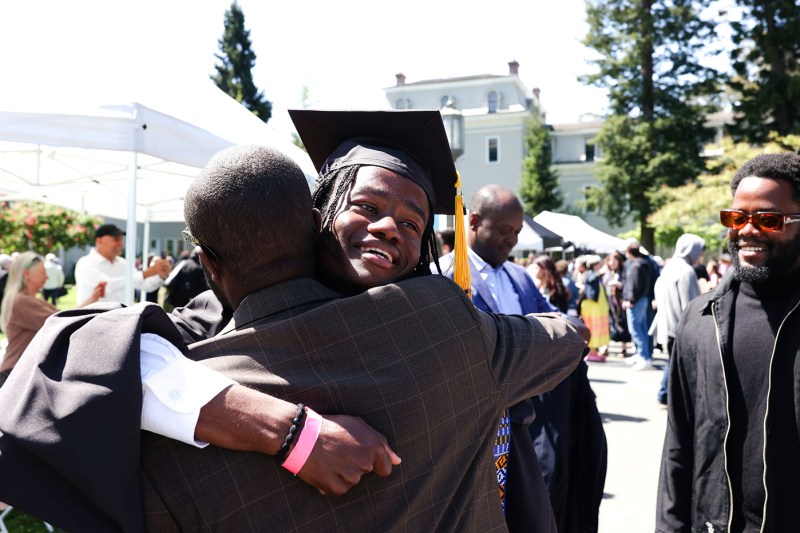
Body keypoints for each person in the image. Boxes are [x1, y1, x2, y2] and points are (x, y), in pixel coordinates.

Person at [0, 129, 584, 530]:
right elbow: (78, 353)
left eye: (412, 222)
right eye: (368, 207)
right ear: (316, 217)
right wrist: (289, 431)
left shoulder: (450, 322)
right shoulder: (210, 325)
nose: (389, 229)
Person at [438, 184, 605, 533]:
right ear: (473, 221)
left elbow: (555, 320)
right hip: (475, 434)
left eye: (516, 231)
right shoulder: (443, 276)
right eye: (504, 230)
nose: (512, 240)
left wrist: (571, 328)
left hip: (527, 427)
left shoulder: (521, 277)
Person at [657, 152, 800, 532]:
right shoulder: (700, 318)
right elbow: (679, 444)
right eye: (737, 218)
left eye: (769, 219)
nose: (748, 230)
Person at [0, 252, 102, 387]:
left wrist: (91, 300)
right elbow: (61, 321)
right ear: (27, 274)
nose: (47, 277)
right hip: (16, 373)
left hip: (21, 371)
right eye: (42, 272)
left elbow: (63, 316)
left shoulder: (27, 300)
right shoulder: (22, 301)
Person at [649, 233, 704, 405]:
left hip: (667, 323)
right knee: (678, 362)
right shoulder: (686, 272)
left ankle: (665, 393)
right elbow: (690, 305)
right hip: (681, 324)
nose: (700, 255)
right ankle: (666, 394)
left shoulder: (669, 267)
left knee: (673, 360)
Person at [73, 224, 172, 304]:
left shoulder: (123, 263)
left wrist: (160, 276)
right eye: (116, 239)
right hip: (92, 323)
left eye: (121, 240)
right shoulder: (85, 263)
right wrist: (148, 273)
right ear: (99, 241)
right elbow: (106, 286)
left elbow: (145, 286)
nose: (121, 244)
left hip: (121, 323)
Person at [623, 240, 653, 370]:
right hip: (643, 299)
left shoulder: (635, 266)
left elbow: (634, 286)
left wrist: (631, 300)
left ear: (629, 252)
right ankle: (643, 354)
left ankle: (643, 356)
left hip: (636, 301)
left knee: (636, 329)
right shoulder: (644, 263)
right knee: (641, 328)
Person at [578, 254, 610, 362]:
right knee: (593, 328)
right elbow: (591, 278)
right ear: (594, 265)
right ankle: (591, 352)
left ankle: (594, 352)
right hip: (592, 307)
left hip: (596, 307)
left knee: (597, 327)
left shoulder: (595, 275)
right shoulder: (590, 274)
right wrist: (600, 273)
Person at [603, 250, 631, 356]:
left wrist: (619, 285)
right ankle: (606, 347)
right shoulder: (608, 272)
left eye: (614, 260)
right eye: (610, 260)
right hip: (609, 301)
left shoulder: (623, 272)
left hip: (619, 301)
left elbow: (628, 285)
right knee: (609, 323)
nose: (612, 263)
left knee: (622, 323)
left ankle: (623, 349)